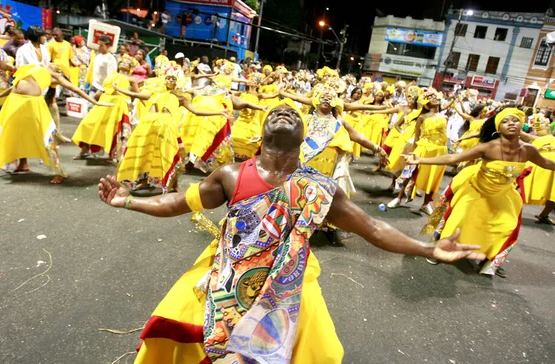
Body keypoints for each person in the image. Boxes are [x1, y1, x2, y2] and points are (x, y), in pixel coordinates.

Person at [98, 102, 485, 363]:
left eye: (293, 113)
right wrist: (126, 202)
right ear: (262, 132)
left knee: (315, 352)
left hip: (291, 282)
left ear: (306, 137)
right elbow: (176, 204)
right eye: (276, 111)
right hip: (224, 274)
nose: (284, 111)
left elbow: (373, 228)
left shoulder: (321, 188)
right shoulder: (232, 174)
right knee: (182, 332)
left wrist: (429, 249)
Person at [410, 108, 555, 277]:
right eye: (505, 121)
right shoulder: (488, 147)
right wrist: (421, 160)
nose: (511, 124)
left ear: (521, 124)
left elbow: (546, 163)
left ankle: (489, 259)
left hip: (504, 195)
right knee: (457, 222)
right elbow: (452, 159)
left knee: (505, 226)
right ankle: (438, 249)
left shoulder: (529, 149)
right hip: (477, 191)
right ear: (498, 128)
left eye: (515, 120)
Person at [0, 64, 112, 184]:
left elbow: (75, 89)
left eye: (55, 66)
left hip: (32, 105)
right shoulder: (34, 68)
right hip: (14, 102)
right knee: (19, 134)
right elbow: (14, 86)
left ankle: (59, 172)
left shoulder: (54, 76)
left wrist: (95, 103)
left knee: (47, 139)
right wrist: (0, 95)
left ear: (57, 71)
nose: (52, 64)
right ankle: (23, 164)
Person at [522, 131, 555, 225]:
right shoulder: (543, 139)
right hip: (539, 166)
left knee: (553, 194)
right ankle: (504, 211)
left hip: (547, 167)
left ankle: (544, 215)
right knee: (524, 188)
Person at [85, 35, 117, 101]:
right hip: (94, 86)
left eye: (101, 45)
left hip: (102, 90)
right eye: (98, 45)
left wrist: (102, 90)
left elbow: (111, 78)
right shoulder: (98, 56)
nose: (99, 47)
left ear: (108, 46)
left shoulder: (110, 59)